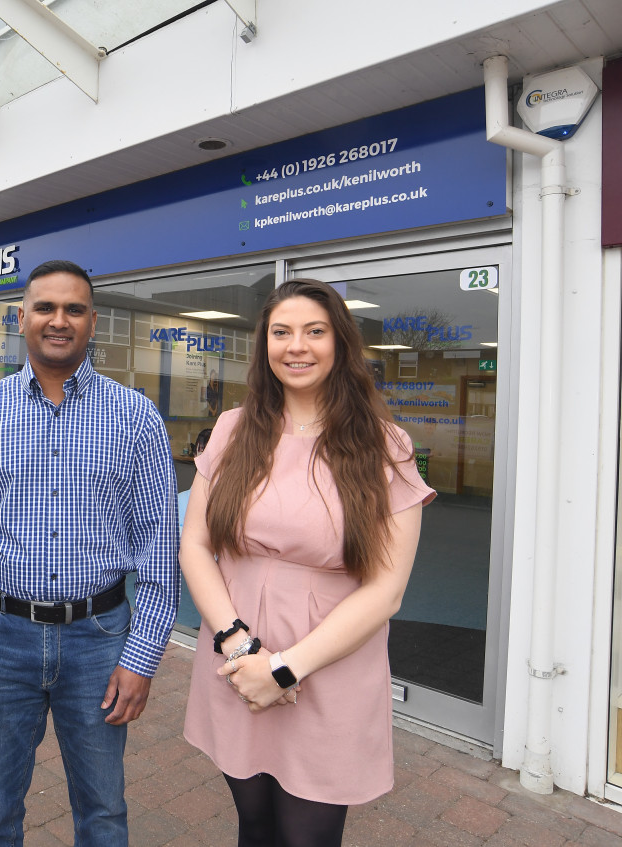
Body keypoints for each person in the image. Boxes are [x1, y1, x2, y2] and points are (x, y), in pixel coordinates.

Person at [0, 259, 179, 847]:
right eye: (45, 307)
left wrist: (141, 657)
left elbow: (158, 552)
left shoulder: (135, 416)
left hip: (100, 639)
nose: (58, 320)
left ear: (93, 323)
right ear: (21, 319)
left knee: (103, 812)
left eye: (73, 309)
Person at [180, 279, 435, 847]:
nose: (297, 346)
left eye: (314, 331)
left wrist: (284, 669)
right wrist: (242, 648)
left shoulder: (384, 446)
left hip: (328, 666)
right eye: (281, 332)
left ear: (340, 343)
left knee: (308, 836)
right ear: (264, 345)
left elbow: (386, 590)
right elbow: (195, 545)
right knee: (256, 825)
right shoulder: (232, 429)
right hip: (234, 656)